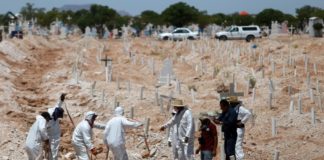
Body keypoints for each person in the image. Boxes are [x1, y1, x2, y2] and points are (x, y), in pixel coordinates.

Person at [47, 93, 66, 160]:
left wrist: (62, 99)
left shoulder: (55, 110)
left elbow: (58, 104)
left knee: (54, 151)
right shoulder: (48, 118)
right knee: (52, 151)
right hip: (51, 136)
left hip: (56, 135)